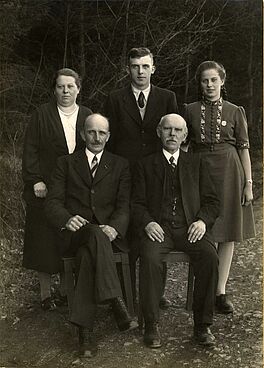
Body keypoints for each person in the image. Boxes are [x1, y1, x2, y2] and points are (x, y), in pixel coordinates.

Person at [45, 113, 137, 358]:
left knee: (88, 256)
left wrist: (115, 227)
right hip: (75, 234)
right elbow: (52, 202)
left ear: (108, 137)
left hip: (107, 234)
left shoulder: (120, 164)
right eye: (91, 132)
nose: (96, 137)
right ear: (83, 134)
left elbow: (124, 205)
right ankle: (115, 301)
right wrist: (67, 218)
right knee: (91, 236)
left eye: (102, 133)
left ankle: (85, 335)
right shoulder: (65, 163)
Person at [131, 114, 220, 348]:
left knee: (210, 256)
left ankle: (202, 325)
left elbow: (212, 201)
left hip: (189, 228)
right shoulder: (145, 164)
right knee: (149, 258)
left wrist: (201, 221)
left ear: (184, 135)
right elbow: (136, 203)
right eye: (167, 129)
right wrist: (148, 222)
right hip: (159, 230)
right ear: (159, 132)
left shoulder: (197, 163)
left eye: (177, 130)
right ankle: (151, 324)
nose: (172, 134)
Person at [104, 47, 178, 308]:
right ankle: (127, 295)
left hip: (156, 173)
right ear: (128, 69)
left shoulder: (167, 97)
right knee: (128, 232)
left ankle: (158, 292)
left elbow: (173, 136)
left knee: (157, 227)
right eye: (135, 66)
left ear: (153, 69)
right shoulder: (115, 99)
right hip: (124, 172)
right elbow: (110, 140)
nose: (140, 71)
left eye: (145, 66)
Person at [184, 61, 255, 314]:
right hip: (199, 170)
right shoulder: (189, 110)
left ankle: (220, 291)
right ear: (200, 84)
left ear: (222, 82)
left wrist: (248, 183)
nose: (210, 85)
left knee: (227, 231)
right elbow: (183, 146)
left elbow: (244, 149)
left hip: (229, 170)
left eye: (214, 80)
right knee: (204, 228)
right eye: (205, 81)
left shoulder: (236, 111)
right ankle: (204, 287)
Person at [22, 68, 92, 311]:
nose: (65, 91)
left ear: (78, 89)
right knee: (43, 239)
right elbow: (30, 150)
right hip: (46, 187)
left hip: (76, 188)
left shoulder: (87, 115)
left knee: (69, 236)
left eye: (70, 86)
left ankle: (65, 290)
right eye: (61, 87)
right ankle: (45, 294)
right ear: (54, 89)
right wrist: (35, 180)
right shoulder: (42, 114)